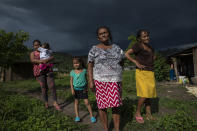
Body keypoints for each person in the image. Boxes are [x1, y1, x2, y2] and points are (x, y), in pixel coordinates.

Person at [88, 26, 124, 131]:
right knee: (102, 106)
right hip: (100, 81)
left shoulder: (117, 48)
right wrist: (91, 81)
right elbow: (90, 66)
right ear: (98, 37)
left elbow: (122, 61)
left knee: (116, 106)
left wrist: (116, 72)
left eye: (105, 32)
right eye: (101, 33)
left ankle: (117, 129)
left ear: (109, 34)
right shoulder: (94, 49)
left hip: (115, 80)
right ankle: (106, 129)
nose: (103, 35)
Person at [125, 29, 156, 124]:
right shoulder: (138, 46)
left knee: (149, 94)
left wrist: (152, 59)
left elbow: (153, 57)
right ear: (139, 38)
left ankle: (148, 114)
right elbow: (126, 54)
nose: (146, 37)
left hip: (150, 72)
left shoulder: (150, 47)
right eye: (144, 36)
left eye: (147, 36)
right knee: (144, 94)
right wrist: (136, 62)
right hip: (141, 72)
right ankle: (137, 113)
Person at [30, 40, 61, 110]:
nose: (37, 46)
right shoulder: (33, 53)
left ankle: (55, 102)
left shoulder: (45, 51)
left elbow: (53, 57)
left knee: (52, 86)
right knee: (43, 87)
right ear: (33, 46)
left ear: (40, 45)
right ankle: (46, 102)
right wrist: (42, 61)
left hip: (48, 69)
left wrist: (47, 60)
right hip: (39, 72)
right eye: (35, 45)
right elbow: (32, 60)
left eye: (38, 45)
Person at [70, 57, 96, 123]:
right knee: (76, 103)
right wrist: (72, 89)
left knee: (87, 102)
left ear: (80, 63)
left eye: (77, 63)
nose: (76, 64)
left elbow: (86, 80)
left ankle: (92, 116)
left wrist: (87, 87)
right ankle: (77, 116)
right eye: (74, 63)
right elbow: (71, 81)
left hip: (83, 89)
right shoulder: (72, 72)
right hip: (76, 90)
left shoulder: (84, 70)